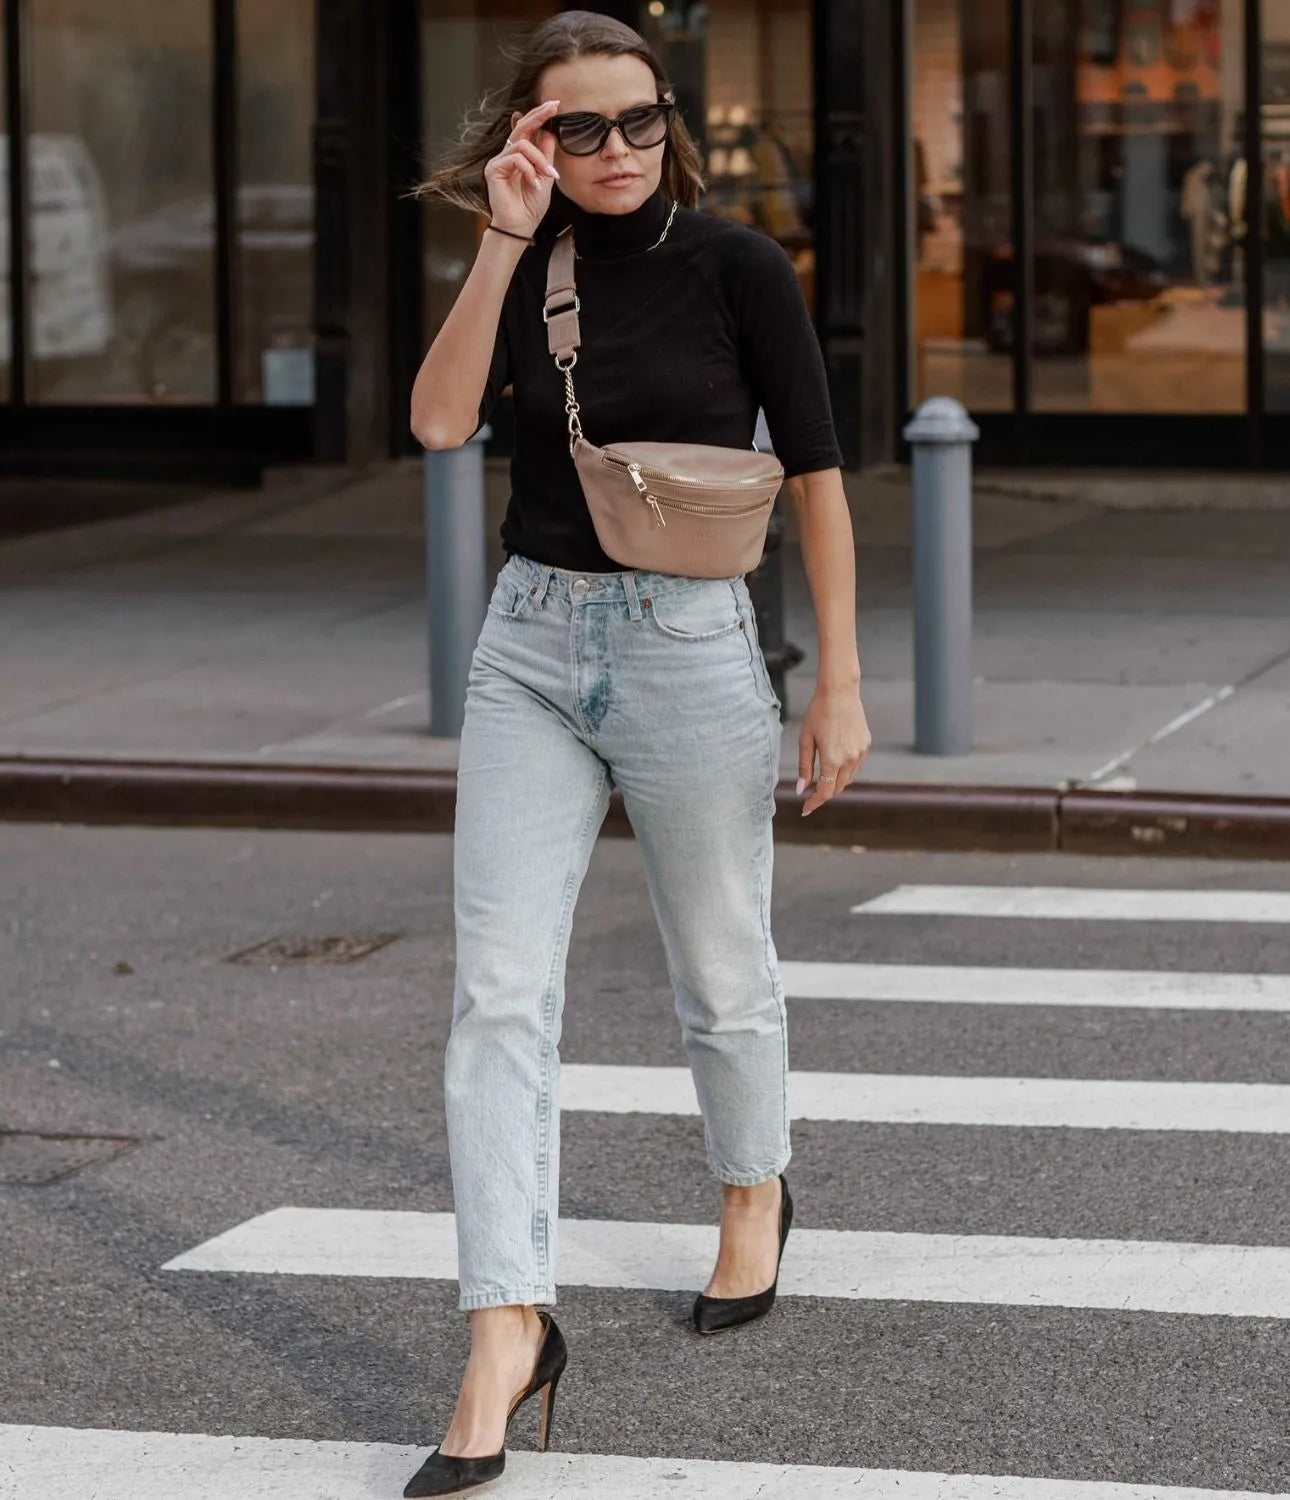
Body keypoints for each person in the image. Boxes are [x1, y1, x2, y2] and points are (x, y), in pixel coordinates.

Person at [405, 11, 870, 1495]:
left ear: (676, 122)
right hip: (530, 647)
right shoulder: (523, 262)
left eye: (639, 122)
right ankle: (505, 1326)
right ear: (529, 137)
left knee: (722, 967)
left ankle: (753, 1190)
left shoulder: (740, 267)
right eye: (577, 128)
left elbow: (818, 477)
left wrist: (841, 685)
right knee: (495, 994)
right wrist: (498, 239)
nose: (615, 152)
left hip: (688, 648)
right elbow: (431, 425)